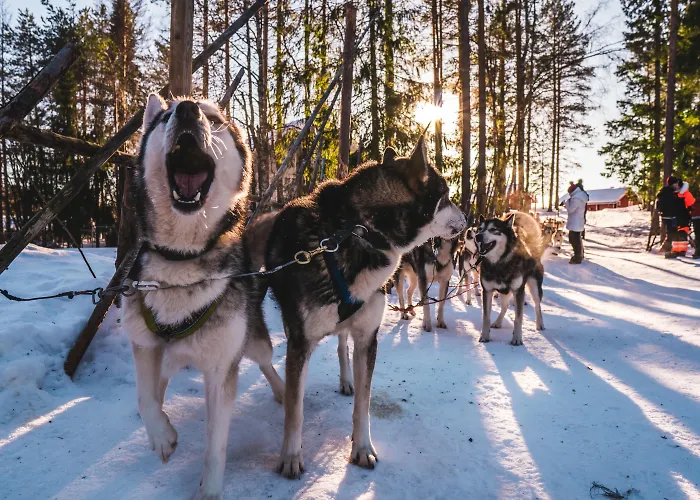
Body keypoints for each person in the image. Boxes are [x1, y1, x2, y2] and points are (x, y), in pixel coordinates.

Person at [657, 176, 694, 259]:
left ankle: (676, 251)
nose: (677, 185)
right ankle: (676, 251)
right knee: (676, 233)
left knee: (675, 233)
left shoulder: (664, 192)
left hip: (672, 216)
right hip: (676, 216)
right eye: (675, 183)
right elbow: (689, 204)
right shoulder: (675, 194)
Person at [564, 180, 589, 264]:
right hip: (577, 221)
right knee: (575, 239)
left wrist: (567, 203)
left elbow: (571, 210)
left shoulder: (577, 198)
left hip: (576, 222)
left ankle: (578, 257)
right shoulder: (579, 197)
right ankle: (580, 254)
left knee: (574, 239)